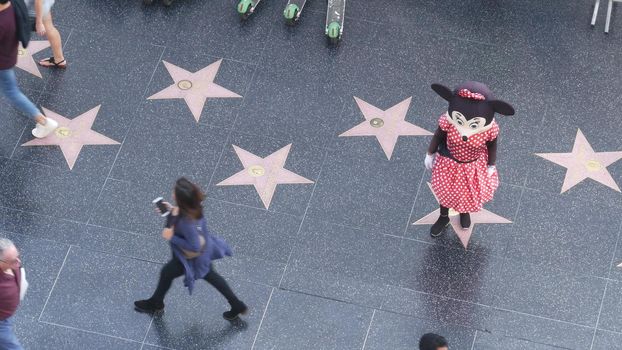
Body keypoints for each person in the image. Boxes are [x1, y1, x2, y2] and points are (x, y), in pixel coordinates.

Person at [134, 178, 248, 321]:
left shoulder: (188, 222)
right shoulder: (194, 207)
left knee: (168, 273)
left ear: (181, 200)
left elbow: (194, 246)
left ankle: (156, 303)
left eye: (174, 192)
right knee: (210, 276)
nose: (173, 193)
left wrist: (170, 236)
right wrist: (171, 211)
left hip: (191, 259)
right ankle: (236, 304)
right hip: (200, 255)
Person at [424, 81, 515, 237]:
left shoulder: (490, 130)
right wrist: (430, 153)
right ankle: (443, 216)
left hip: (472, 166)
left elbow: (492, 145)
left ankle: (464, 211)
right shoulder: (448, 122)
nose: (464, 132)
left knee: (467, 192)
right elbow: (439, 135)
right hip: (448, 164)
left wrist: (491, 164)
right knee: (445, 191)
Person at [0, 0, 58, 138]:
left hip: (2, 62)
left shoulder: (2, 23)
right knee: (12, 91)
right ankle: (43, 121)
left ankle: (44, 122)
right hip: (8, 55)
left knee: (12, 92)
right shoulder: (14, 4)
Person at [0, 238, 24, 350]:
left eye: (18, 256)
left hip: (6, 314)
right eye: (13, 261)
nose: (18, 262)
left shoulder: (12, 262)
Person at [27, 0, 66, 68]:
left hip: (35, 6)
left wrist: (39, 22)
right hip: (44, 4)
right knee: (49, 28)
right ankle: (59, 59)